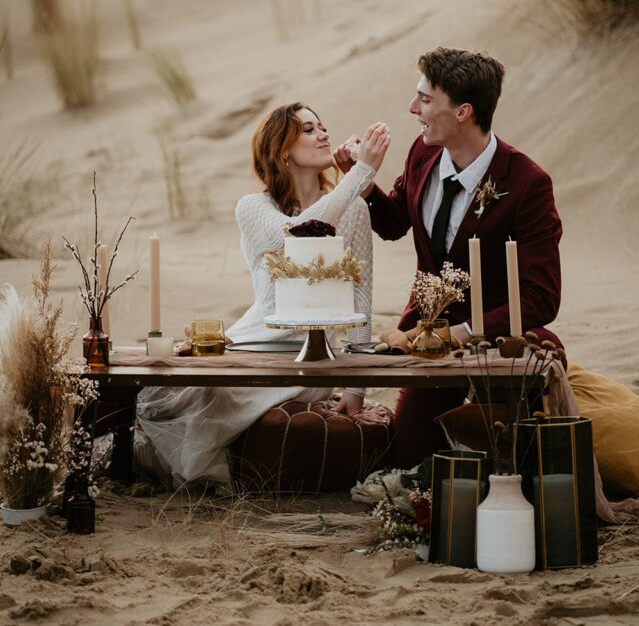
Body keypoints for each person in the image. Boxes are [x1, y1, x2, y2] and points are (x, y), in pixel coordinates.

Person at [135, 103, 391, 487]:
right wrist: (361, 173)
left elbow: (361, 294)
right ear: (281, 150)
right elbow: (292, 233)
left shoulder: (354, 208)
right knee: (191, 390)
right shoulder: (253, 207)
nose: (323, 134)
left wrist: (355, 388)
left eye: (323, 126)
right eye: (308, 129)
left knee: (231, 399)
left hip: (311, 357)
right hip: (253, 341)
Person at [334, 48, 562, 468]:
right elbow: (395, 222)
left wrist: (462, 331)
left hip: (497, 341)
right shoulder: (422, 154)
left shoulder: (528, 184)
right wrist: (363, 182)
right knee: (408, 460)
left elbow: (542, 298)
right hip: (424, 338)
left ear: (463, 112)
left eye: (424, 99)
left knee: (518, 457)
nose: (412, 108)